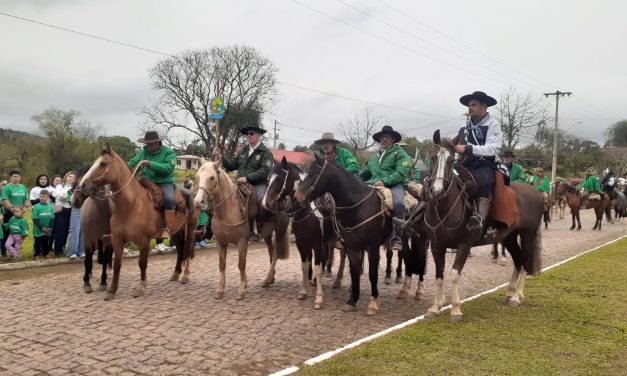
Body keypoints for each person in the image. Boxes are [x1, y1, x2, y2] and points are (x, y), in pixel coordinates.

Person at [453, 91, 502, 240]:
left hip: (484, 164)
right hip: (464, 165)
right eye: (469, 105)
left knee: (484, 181)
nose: (470, 108)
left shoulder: (493, 125)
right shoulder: (465, 128)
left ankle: (480, 220)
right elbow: (458, 150)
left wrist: (468, 149)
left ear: (484, 106)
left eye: (473, 105)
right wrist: (455, 160)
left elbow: (493, 149)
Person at [212, 125, 274, 242]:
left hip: (258, 184)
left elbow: (265, 171)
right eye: (247, 134)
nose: (248, 136)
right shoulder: (243, 151)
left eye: (251, 133)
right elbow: (231, 165)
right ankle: (215, 229)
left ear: (258, 135)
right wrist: (221, 157)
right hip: (241, 183)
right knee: (221, 198)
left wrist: (247, 178)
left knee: (261, 201)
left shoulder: (265, 153)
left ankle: (259, 228)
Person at [360, 125, 412, 251]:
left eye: (387, 137)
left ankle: (397, 236)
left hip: (395, 185)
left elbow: (401, 172)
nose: (384, 139)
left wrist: (384, 181)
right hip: (373, 185)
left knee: (399, 203)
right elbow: (366, 173)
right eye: (382, 137)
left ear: (393, 139)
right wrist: (353, 180)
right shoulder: (374, 156)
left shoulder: (401, 154)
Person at [128, 131, 177, 239]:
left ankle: (167, 228)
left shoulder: (169, 153)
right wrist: (121, 167)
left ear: (157, 142)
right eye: (147, 143)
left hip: (164, 182)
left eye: (150, 143)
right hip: (145, 182)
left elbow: (168, 168)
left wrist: (150, 164)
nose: (148, 146)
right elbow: (132, 164)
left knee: (169, 199)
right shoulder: (142, 153)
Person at [1, 169, 30, 257]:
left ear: (20, 177)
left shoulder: (23, 187)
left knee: (17, 232)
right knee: (7, 232)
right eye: (14, 176)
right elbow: (4, 200)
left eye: (18, 176)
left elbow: (26, 199)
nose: (16, 178)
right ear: (10, 177)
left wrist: (25, 208)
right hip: (9, 213)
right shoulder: (7, 187)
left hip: (20, 214)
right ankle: (4, 252)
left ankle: (14, 253)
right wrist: (12, 209)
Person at [51, 171, 76, 256]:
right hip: (60, 210)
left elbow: (73, 199)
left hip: (71, 210)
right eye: (70, 176)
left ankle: (62, 247)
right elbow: (59, 197)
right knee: (60, 230)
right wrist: (68, 198)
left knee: (67, 230)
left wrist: (67, 198)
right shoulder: (59, 186)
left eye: (73, 177)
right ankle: (57, 249)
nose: (71, 178)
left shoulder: (75, 188)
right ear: (66, 177)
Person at [32, 189, 55, 260]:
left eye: (43, 196)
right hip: (38, 230)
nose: (41, 198)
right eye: (40, 196)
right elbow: (35, 218)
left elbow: (52, 218)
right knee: (37, 243)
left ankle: (46, 253)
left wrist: (50, 227)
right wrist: (41, 228)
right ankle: (36, 254)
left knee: (46, 242)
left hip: (48, 229)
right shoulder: (36, 207)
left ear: (48, 197)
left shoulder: (51, 207)